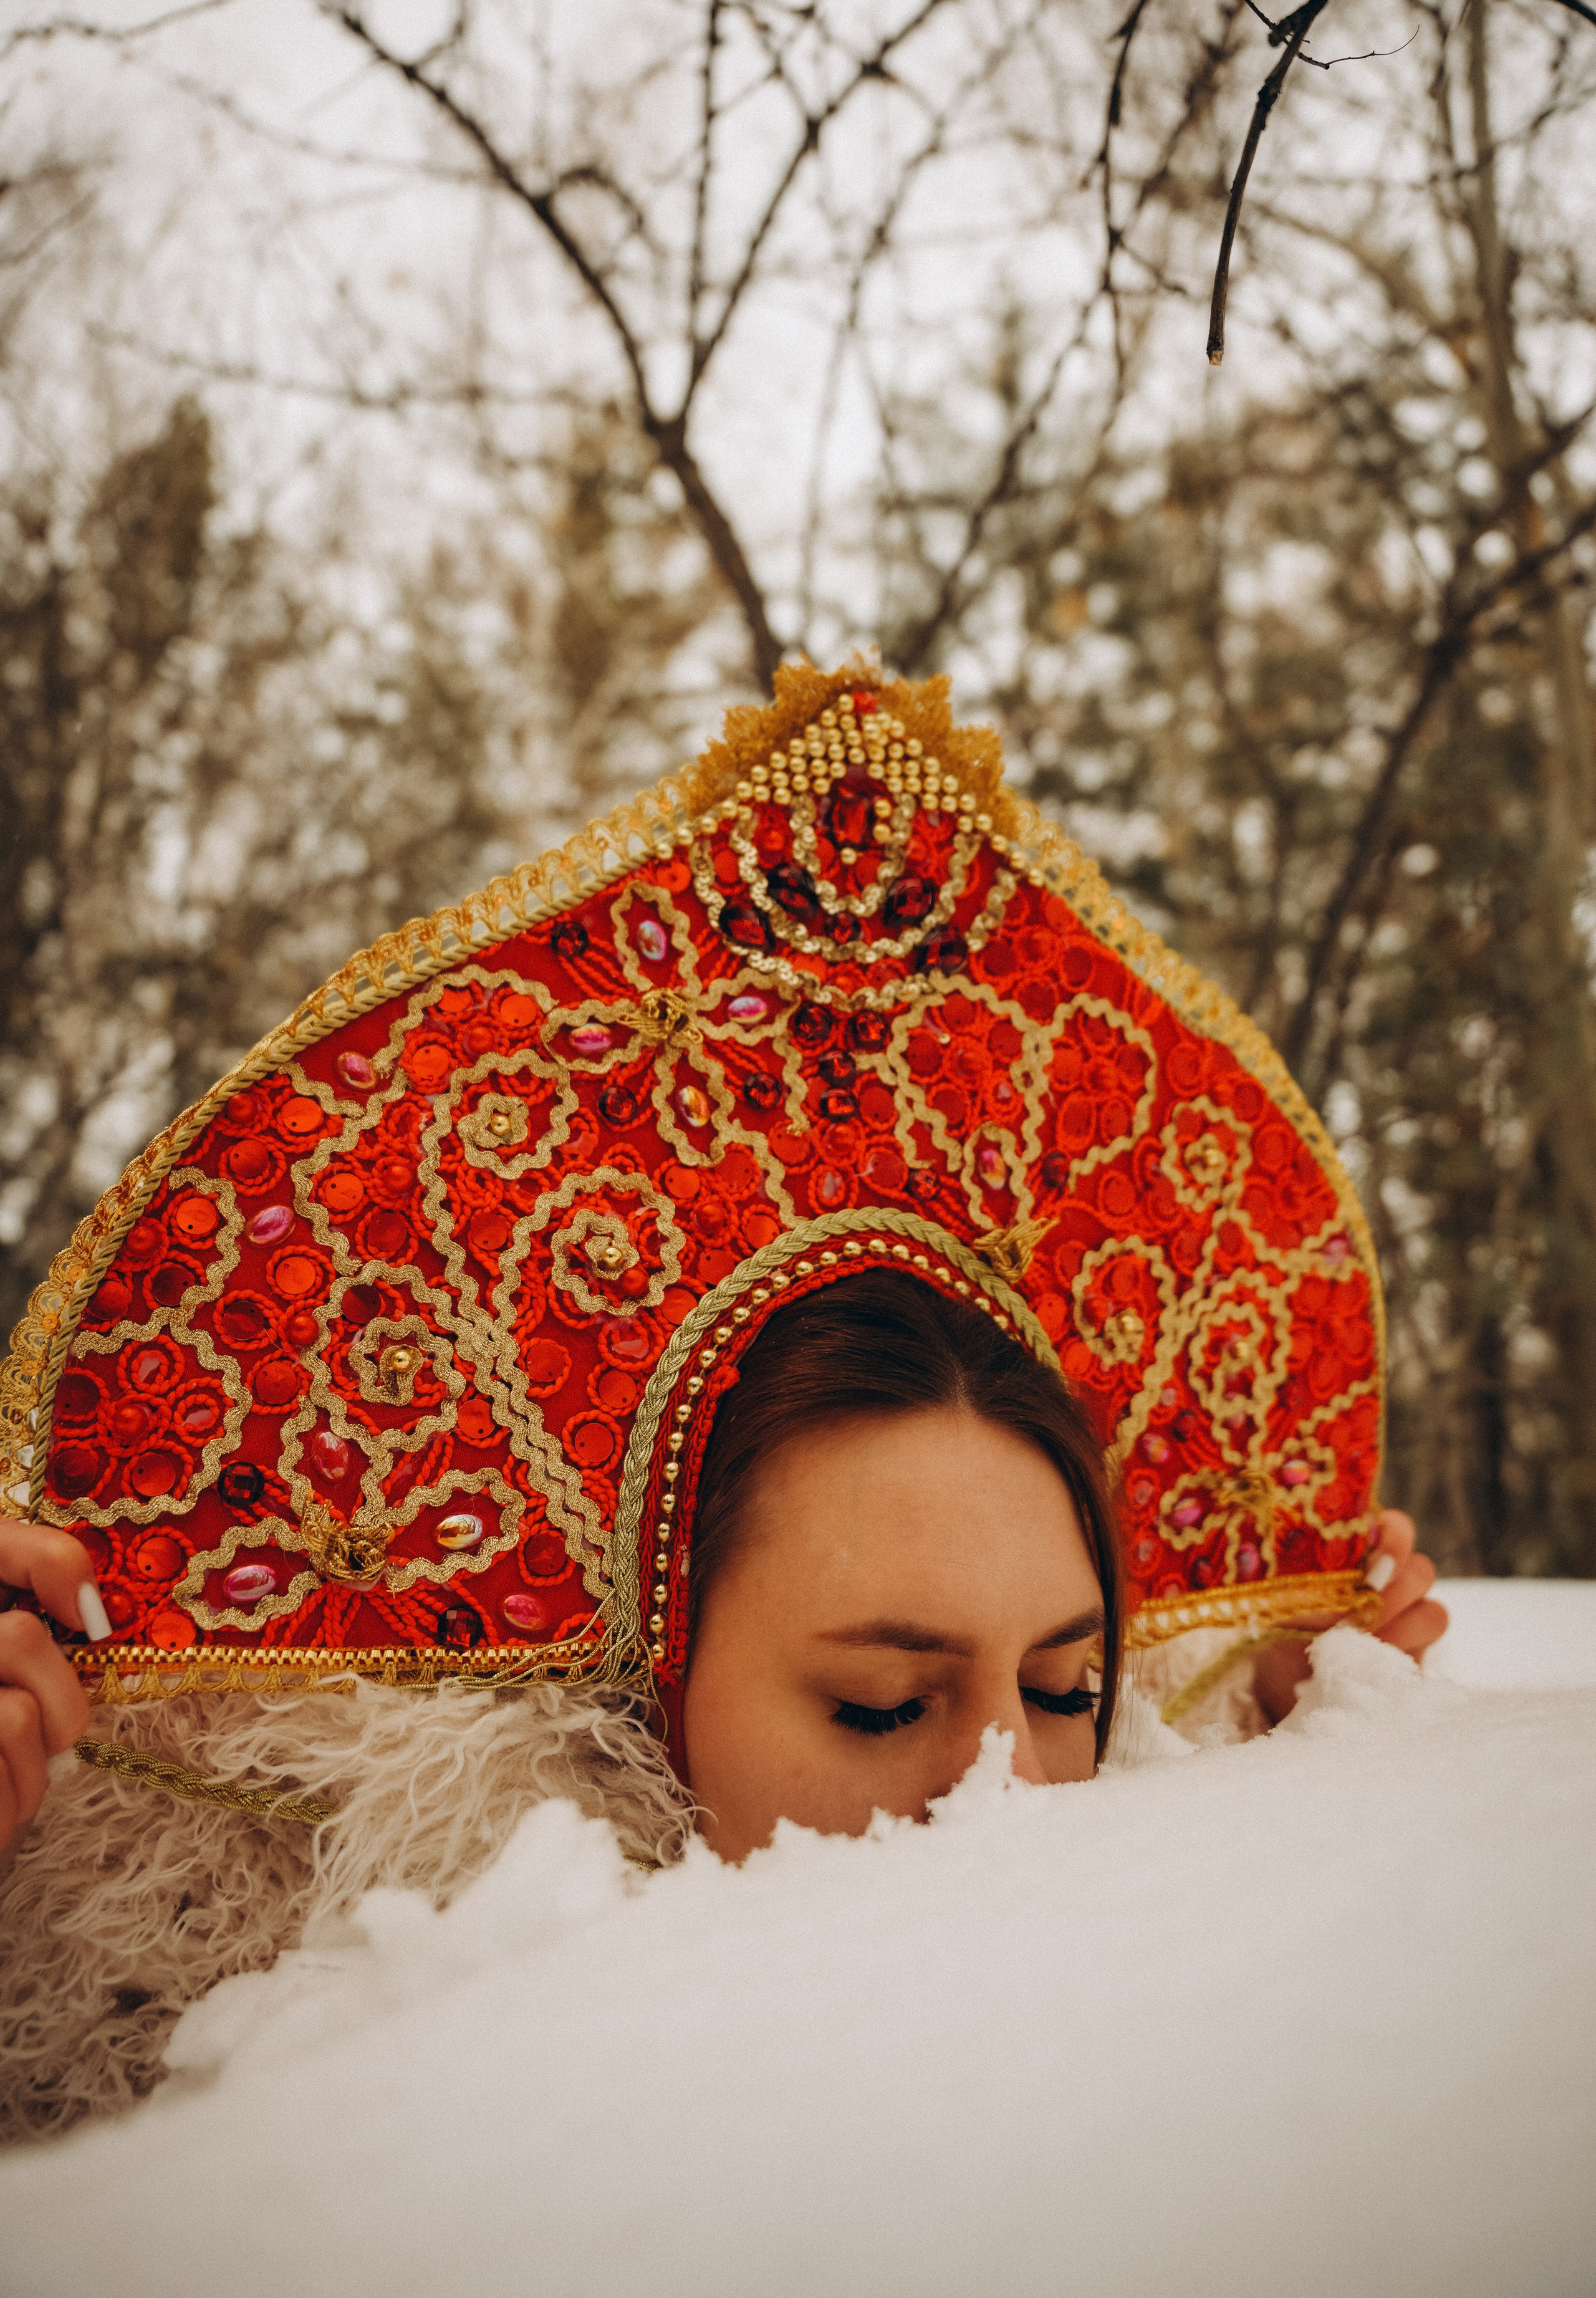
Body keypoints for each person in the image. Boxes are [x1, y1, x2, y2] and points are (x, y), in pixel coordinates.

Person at [0, 663, 1444, 2135]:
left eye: (1067, 1690)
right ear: (645, 1694)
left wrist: (1293, 1733)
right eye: (882, 1706)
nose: (1008, 1790)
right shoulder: (323, 2068)